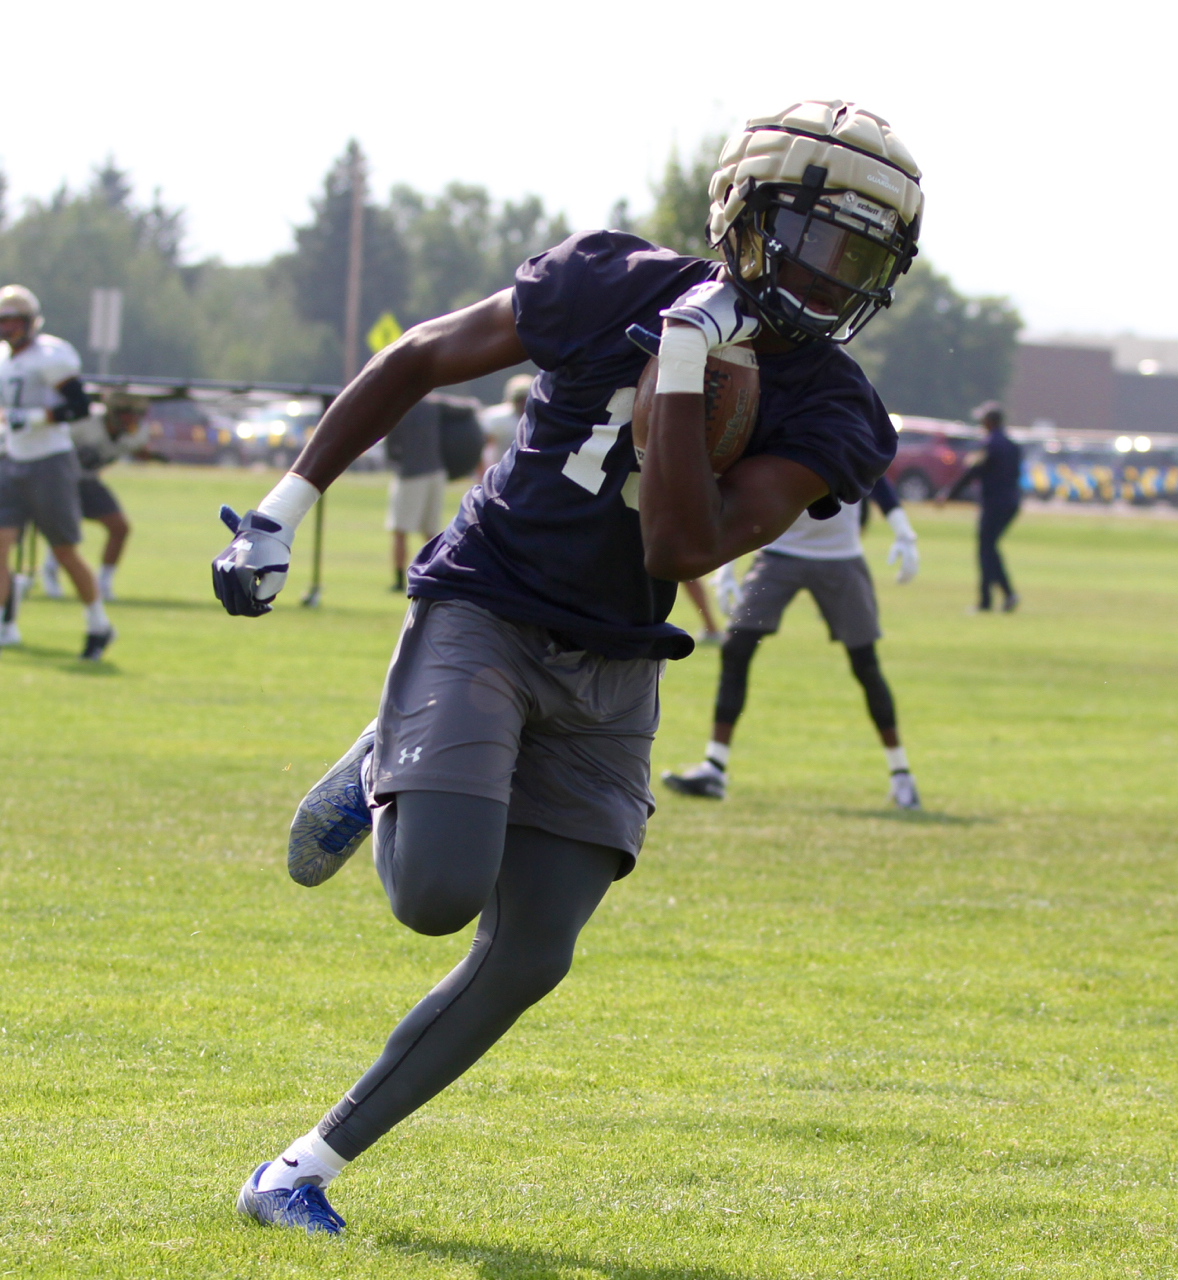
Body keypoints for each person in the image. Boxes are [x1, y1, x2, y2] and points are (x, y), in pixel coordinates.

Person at [212, 99, 922, 1235]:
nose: (838, 279)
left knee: (533, 951)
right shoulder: (608, 279)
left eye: (865, 260)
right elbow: (420, 357)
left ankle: (294, 1172)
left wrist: (684, 362)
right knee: (436, 896)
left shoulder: (837, 406)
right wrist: (279, 511)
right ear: (747, 216)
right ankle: (392, 757)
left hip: (617, 662)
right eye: (821, 241)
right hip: (489, 606)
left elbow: (678, 547)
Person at [663, 476, 921, 806]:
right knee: (736, 648)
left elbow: (875, 476)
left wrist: (903, 531)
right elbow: (748, 488)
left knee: (865, 663)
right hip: (779, 553)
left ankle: (901, 775)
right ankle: (714, 767)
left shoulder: (850, 438)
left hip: (840, 556)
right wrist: (727, 566)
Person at [0, 285, 115, 659]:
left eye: (15, 321)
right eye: (4, 321)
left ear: (31, 322)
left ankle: (98, 623)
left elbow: (80, 405)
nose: (9, 328)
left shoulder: (50, 354)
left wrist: (34, 417)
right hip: (11, 458)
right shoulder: (3, 359)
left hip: (49, 461)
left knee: (64, 551)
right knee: (0, 544)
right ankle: (5, 625)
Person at [41, 393, 147, 603]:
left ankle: (104, 582)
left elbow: (138, 450)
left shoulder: (138, 433)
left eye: (137, 414)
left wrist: (154, 455)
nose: (132, 419)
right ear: (113, 413)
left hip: (89, 481)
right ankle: (50, 570)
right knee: (66, 529)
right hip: (63, 480)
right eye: (127, 413)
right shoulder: (84, 425)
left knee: (120, 528)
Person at [936, 400, 1022, 611]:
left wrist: (949, 494)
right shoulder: (1013, 446)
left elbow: (970, 473)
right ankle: (1002, 596)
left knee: (986, 550)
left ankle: (992, 600)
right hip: (1012, 503)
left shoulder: (987, 445)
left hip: (994, 503)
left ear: (989, 422)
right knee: (989, 548)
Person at [383, 397, 447, 592]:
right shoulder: (435, 406)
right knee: (431, 532)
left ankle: (399, 580)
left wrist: (397, 462)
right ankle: (435, 576)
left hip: (410, 474)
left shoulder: (398, 406)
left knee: (400, 530)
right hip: (436, 471)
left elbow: (390, 446)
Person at [477, 373, 532, 473]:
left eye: (526, 398)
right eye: (519, 399)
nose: (523, 403)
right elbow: (482, 446)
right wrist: (482, 471)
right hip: (501, 471)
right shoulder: (497, 418)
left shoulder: (541, 418)